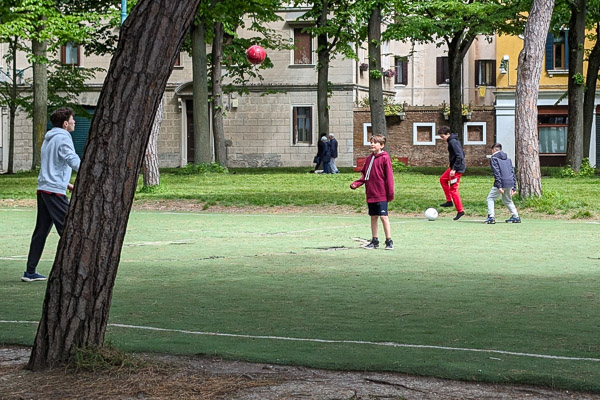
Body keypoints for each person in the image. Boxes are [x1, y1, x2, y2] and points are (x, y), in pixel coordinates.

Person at [22, 107, 81, 282]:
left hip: (44, 189)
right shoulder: (63, 137)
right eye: (72, 120)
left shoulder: (49, 138)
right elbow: (71, 159)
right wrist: (90, 171)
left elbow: (52, 165)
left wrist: (66, 184)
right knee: (70, 230)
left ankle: (30, 271)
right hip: (53, 192)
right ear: (65, 124)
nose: (74, 122)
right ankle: (75, 271)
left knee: (41, 231)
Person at [350, 134, 394, 250]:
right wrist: (356, 183)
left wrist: (390, 193)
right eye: (371, 142)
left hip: (381, 193)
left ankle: (389, 241)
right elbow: (365, 175)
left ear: (382, 145)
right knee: (373, 217)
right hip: (371, 193)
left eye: (375, 142)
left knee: (383, 216)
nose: (372, 144)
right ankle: (375, 240)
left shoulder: (385, 158)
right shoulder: (369, 159)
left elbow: (389, 177)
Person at [485, 143, 521, 224]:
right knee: (507, 200)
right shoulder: (508, 159)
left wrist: (499, 186)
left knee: (490, 198)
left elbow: (496, 173)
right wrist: (514, 187)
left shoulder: (494, 158)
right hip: (510, 182)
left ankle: (491, 217)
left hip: (501, 182)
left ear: (493, 150)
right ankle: (516, 216)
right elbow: (512, 172)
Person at [438, 126, 466, 221]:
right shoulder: (452, 140)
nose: (442, 139)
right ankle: (449, 201)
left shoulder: (453, 141)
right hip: (453, 167)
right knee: (443, 179)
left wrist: (454, 168)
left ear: (447, 134)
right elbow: (462, 153)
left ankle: (460, 210)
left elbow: (460, 156)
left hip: (457, 169)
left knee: (453, 189)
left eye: (442, 136)